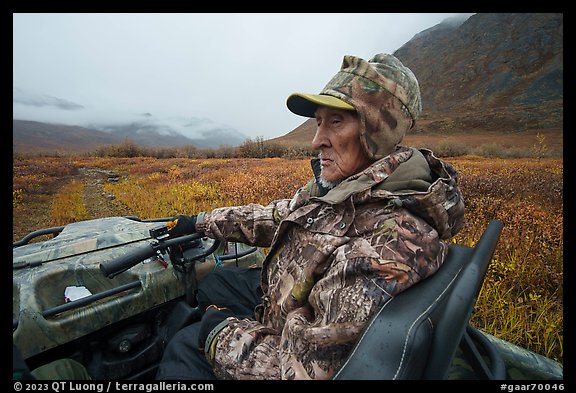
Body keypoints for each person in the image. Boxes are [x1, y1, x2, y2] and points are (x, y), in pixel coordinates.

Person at [155, 53, 465, 380]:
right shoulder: (344, 189)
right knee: (217, 283)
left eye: (336, 121)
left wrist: (219, 334)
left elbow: (301, 372)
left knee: (185, 344)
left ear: (377, 131)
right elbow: (279, 216)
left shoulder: (386, 245)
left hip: (292, 341)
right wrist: (200, 221)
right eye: (318, 122)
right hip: (286, 301)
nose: (317, 141)